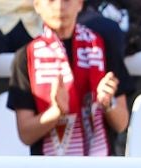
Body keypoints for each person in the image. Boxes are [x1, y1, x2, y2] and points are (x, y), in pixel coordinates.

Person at [8, 0, 130, 157]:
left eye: (67, 0)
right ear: (37, 5)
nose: (59, 7)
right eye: (51, 1)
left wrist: (108, 103)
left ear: (80, 4)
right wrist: (56, 112)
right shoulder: (26, 57)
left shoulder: (101, 47)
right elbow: (25, 134)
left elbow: (121, 123)